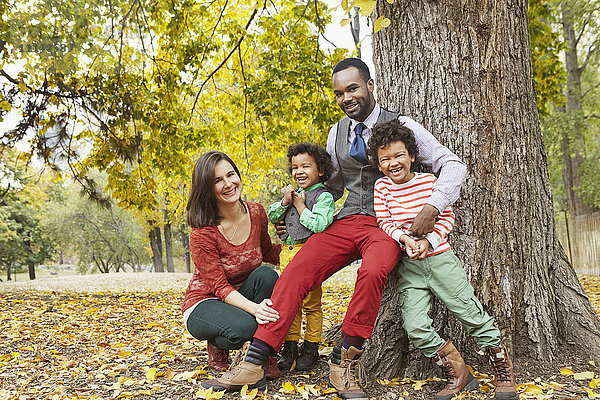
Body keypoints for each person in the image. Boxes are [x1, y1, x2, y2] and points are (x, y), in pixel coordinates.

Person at [201, 57, 467, 398]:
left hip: (385, 225)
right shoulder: (336, 132)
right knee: (297, 269)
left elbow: (452, 163)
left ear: (371, 86)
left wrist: (432, 206)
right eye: (339, 93)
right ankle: (255, 359)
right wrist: (296, 218)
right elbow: (332, 188)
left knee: (372, 273)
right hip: (345, 220)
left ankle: (344, 363)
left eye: (352, 88)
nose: (346, 98)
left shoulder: (400, 124)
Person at [369, 119, 517, 400]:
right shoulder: (382, 189)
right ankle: (459, 372)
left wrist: (428, 241)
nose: (394, 163)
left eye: (399, 155)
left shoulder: (428, 182)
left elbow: (447, 217)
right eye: (385, 159)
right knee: (415, 326)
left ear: (412, 156)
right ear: (378, 164)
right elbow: (384, 221)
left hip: (440, 261)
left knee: (472, 316)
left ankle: (503, 372)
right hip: (409, 267)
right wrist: (405, 239)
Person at [182, 151, 282, 382]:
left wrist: (303, 247)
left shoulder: (256, 212)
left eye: (230, 175)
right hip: (205, 301)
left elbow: (268, 253)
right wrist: (256, 310)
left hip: (243, 294)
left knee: (267, 275)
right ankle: (218, 341)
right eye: (217, 180)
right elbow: (219, 286)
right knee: (245, 328)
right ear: (207, 188)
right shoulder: (203, 232)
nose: (228, 184)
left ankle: (262, 352)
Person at [267, 142, 335, 372]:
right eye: (295, 167)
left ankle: (311, 347)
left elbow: (320, 224)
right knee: (290, 304)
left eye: (306, 166)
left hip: (309, 255)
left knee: (311, 304)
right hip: (287, 254)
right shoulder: (292, 193)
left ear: (321, 170)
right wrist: (286, 201)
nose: (299, 172)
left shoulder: (323, 197)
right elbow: (272, 215)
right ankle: (290, 346)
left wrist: (300, 206)